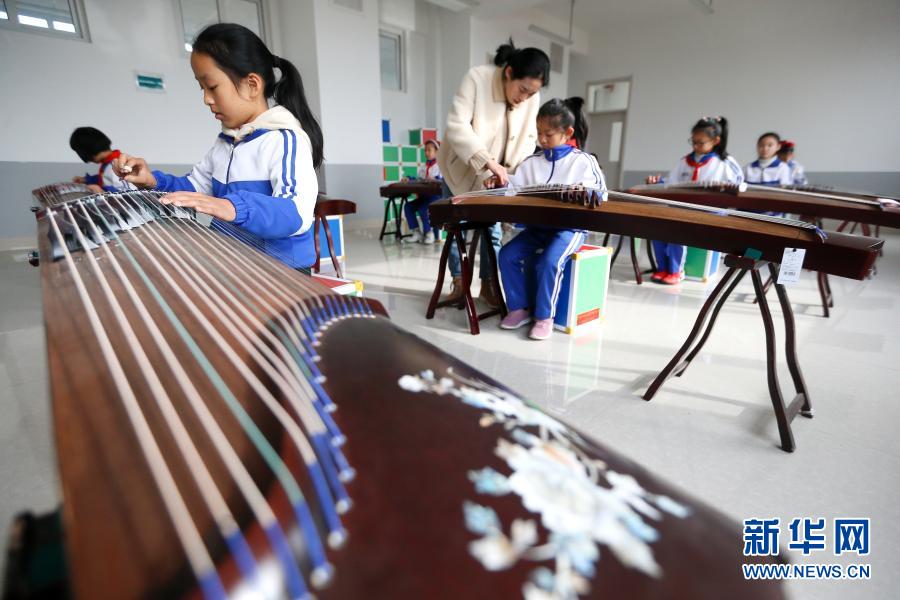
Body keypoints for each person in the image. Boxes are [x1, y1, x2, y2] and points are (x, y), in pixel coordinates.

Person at [113, 23, 322, 271]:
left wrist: (231, 206)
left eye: (212, 87)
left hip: (282, 272)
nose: (206, 99)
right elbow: (195, 186)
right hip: (236, 264)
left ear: (252, 85)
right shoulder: (226, 143)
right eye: (201, 88)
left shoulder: (284, 140)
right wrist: (152, 182)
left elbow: (294, 212)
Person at [437, 39, 549, 307]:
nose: (525, 98)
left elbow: (528, 138)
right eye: (523, 89)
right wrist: (487, 162)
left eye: (532, 94)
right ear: (509, 72)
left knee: (493, 233)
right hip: (460, 170)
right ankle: (459, 282)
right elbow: (456, 125)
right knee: (457, 231)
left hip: (498, 177)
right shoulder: (477, 78)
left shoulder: (531, 99)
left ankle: (489, 284)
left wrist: (511, 171)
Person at [495, 97, 606, 340]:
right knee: (507, 255)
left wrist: (585, 192)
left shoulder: (583, 161)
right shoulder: (531, 163)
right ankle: (519, 308)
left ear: (567, 133)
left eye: (549, 134)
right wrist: (501, 182)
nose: (542, 140)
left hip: (570, 228)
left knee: (548, 262)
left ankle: (545, 317)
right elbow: (514, 188)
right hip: (537, 228)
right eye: (539, 133)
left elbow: (601, 192)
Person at [645, 116, 742, 285]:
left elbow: (739, 183)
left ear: (716, 140)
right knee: (656, 230)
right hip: (685, 208)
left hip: (710, 211)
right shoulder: (684, 161)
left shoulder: (725, 162)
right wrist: (658, 181)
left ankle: (676, 270)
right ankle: (662, 268)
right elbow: (671, 183)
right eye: (693, 141)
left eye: (701, 142)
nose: (696, 146)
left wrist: (723, 187)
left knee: (677, 230)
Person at [69, 127, 135, 193]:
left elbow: (127, 191)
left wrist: (102, 191)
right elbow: (106, 179)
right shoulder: (108, 163)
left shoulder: (117, 164)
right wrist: (86, 180)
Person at [402, 139, 442, 244]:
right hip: (425, 197)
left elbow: (443, 181)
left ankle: (429, 233)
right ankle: (417, 233)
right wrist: (409, 179)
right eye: (425, 150)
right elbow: (419, 179)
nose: (426, 153)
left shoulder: (440, 166)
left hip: (436, 197)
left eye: (429, 150)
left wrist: (435, 179)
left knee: (423, 209)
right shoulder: (424, 167)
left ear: (437, 152)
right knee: (408, 207)